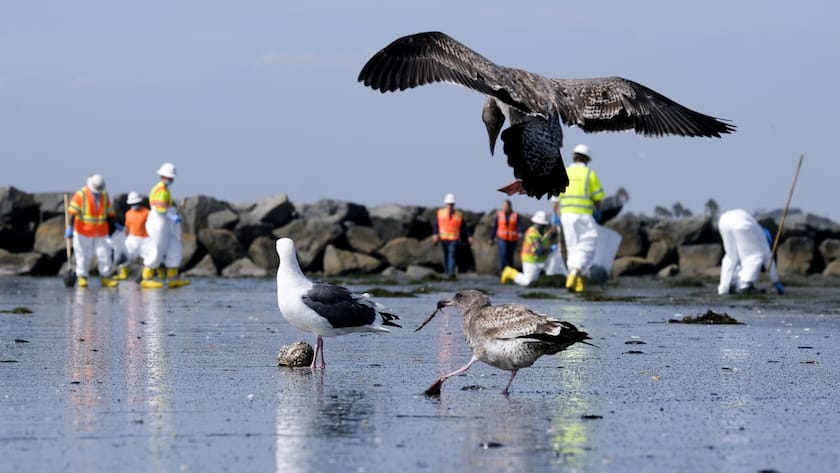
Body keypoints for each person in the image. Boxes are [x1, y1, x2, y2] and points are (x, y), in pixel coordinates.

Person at [553, 144, 605, 293]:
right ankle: (575, 272)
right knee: (588, 244)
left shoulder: (564, 172)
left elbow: (555, 200)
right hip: (583, 215)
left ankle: (575, 281)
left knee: (572, 247)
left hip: (566, 216)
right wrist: (598, 212)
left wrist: (556, 216)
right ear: (587, 159)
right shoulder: (589, 174)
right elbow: (598, 199)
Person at [65, 174, 119, 288]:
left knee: (104, 255)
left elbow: (110, 213)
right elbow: (72, 214)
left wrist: (115, 224)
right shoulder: (81, 194)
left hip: (101, 232)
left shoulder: (104, 195)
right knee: (83, 256)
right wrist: (70, 227)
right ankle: (82, 278)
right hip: (83, 232)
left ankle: (106, 277)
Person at [141, 163, 190, 289]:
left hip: (165, 222)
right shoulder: (160, 190)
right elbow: (160, 209)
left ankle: (172, 278)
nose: (171, 179)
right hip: (158, 222)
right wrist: (172, 216)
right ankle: (147, 278)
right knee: (157, 249)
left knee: (173, 248)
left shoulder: (165, 190)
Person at [717, 208, 784, 295]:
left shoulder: (756, 227)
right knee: (756, 255)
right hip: (742, 224)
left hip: (724, 220)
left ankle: (724, 288)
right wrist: (776, 281)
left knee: (731, 256)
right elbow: (768, 259)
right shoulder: (762, 237)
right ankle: (745, 285)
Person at [500, 211, 556, 285]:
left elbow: (546, 239)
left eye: (544, 224)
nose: (544, 226)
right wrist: (551, 249)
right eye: (542, 225)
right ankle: (509, 272)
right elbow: (538, 251)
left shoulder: (543, 232)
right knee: (528, 282)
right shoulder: (532, 234)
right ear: (536, 223)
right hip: (530, 260)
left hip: (541, 260)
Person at [432, 193, 473, 278]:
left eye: (451, 204)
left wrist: (469, 236)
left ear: (454, 204)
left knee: (452, 255)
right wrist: (435, 234)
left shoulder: (458, 215)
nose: (450, 206)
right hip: (443, 238)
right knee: (446, 256)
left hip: (454, 239)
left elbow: (464, 227)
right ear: (445, 204)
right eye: (449, 204)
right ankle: (447, 272)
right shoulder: (440, 213)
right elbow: (435, 224)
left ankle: (451, 273)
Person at [115, 191, 150, 280]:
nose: (134, 205)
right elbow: (127, 227)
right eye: (132, 203)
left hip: (145, 239)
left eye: (136, 203)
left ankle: (147, 277)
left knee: (150, 258)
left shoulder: (147, 212)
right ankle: (123, 274)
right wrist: (124, 236)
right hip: (132, 238)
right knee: (127, 257)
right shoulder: (128, 213)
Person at [489, 199, 524, 272]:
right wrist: (491, 238)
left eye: (506, 206)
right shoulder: (499, 215)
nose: (504, 207)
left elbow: (519, 225)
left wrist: (520, 232)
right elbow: (495, 227)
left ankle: (510, 272)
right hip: (502, 238)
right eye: (503, 206)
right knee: (503, 254)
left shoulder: (516, 215)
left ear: (510, 206)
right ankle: (503, 271)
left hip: (512, 239)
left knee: (510, 256)